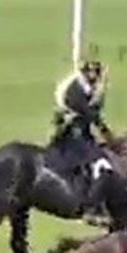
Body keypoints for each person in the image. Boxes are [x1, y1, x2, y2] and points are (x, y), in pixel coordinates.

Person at [51, 60, 114, 224]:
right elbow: (90, 113)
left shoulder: (85, 89)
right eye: (92, 73)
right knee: (102, 166)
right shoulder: (75, 91)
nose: (94, 76)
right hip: (74, 138)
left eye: (96, 73)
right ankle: (91, 208)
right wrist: (107, 134)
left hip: (82, 135)